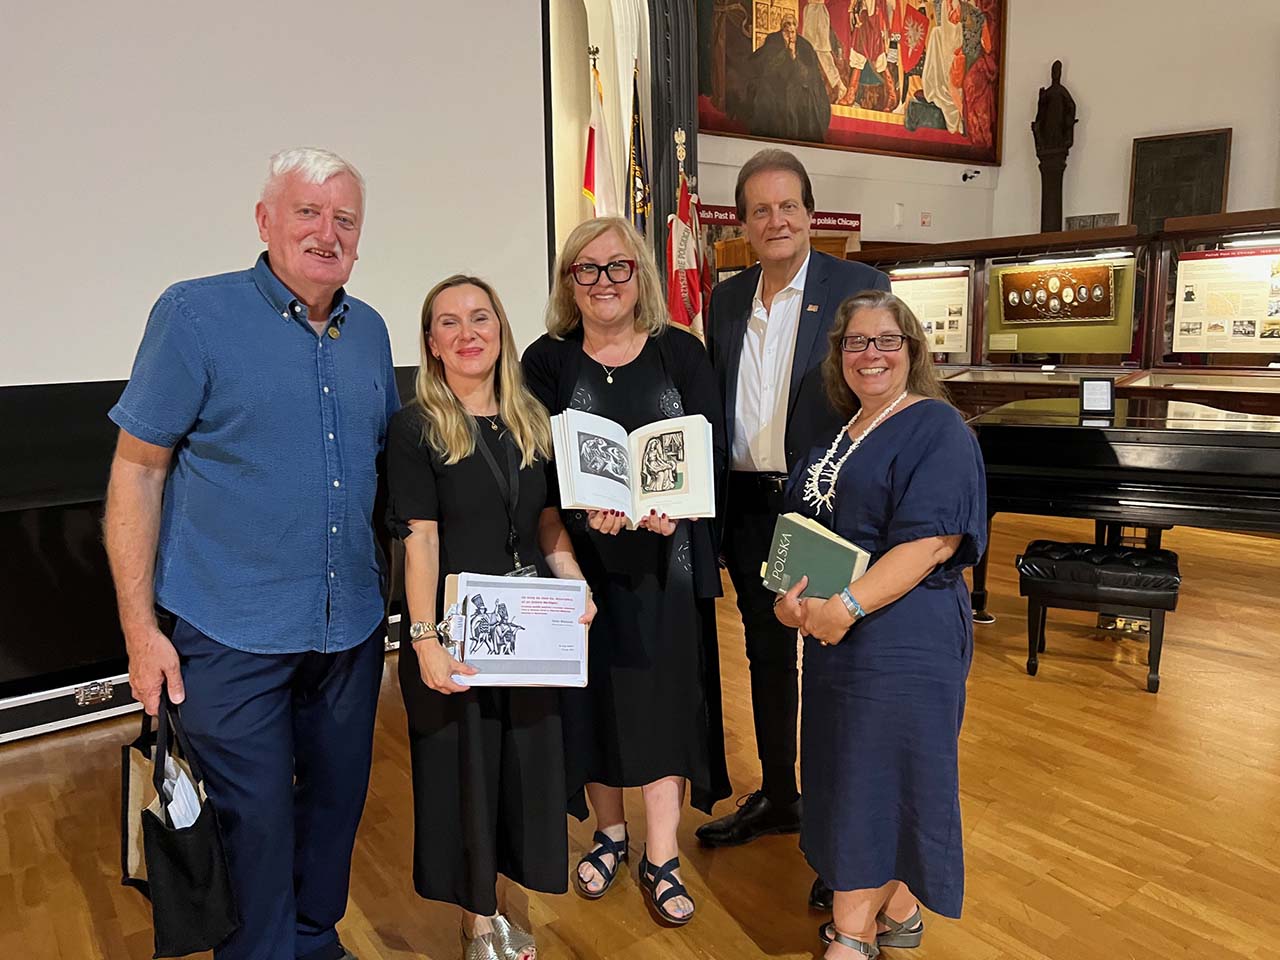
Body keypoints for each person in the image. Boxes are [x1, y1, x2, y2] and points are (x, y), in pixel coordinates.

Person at [103, 147, 396, 960]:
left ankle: (314, 940)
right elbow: (137, 473)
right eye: (307, 212)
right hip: (228, 633)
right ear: (265, 221)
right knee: (251, 829)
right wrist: (140, 631)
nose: (327, 232)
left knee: (333, 812)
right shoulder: (194, 315)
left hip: (349, 632)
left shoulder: (370, 332)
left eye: (344, 219)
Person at [522, 216, 730, 926]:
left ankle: (661, 852)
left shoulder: (681, 352)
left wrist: (680, 509)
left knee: (667, 702)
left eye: (618, 266)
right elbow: (536, 468)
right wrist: (583, 518)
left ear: (640, 274)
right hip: (581, 566)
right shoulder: (547, 360)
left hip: (668, 561)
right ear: (569, 282)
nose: (604, 281)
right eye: (587, 268)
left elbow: (710, 451)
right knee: (595, 702)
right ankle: (610, 834)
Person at [700, 148, 889, 911]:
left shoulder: (857, 288)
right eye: (760, 210)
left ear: (811, 213)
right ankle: (781, 796)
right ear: (742, 225)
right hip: (749, 506)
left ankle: (842, 837)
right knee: (767, 655)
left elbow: (882, 398)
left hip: (826, 506)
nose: (775, 220)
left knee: (839, 665)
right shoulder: (724, 299)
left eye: (788, 206)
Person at [386, 275, 596, 960]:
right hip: (456, 636)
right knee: (467, 777)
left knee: (520, 772)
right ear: (431, 344)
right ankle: (477, 921)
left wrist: (577, 585)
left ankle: (504, 900)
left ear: (501, 329)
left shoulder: (532, 419)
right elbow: (420, 539)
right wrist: (423, 641)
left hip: (528, 632)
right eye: (448, 323)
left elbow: (547, 524)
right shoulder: (416, 426)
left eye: (480, 318)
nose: (467, 333)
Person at [774, 290, 986, 959]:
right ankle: (898, 907)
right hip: (836, 638)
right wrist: (789, 601)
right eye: (856, 342)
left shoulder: (937, 427)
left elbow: (933, 543)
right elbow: (799, 537)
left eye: (887, 340)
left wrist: (846, 607)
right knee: (846, 772)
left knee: (881, 775)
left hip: (904, 634)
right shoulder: (840, 434)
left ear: (912, 350)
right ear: (839, 355)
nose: (871, 354)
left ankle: (853, 933)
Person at [745, 13, 831, 142]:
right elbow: (767, 67)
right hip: (775, 84)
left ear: (796, 27)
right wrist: (784, 50)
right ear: (782, 28)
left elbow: (809, 74)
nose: (790, 31)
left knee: (804, 98)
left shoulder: (805, 45)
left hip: (798, 84)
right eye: (786, 26)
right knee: (766, 96)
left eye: (792, 27)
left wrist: (793, 55)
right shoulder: (773, 40)